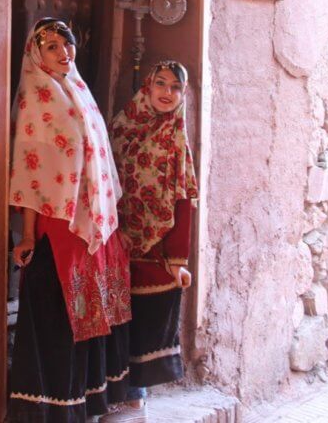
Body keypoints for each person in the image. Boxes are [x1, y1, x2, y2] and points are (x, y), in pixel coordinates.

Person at [7, 18, 132, 423]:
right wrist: (26, 236)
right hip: (56, 225)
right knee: (58, 316)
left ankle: (88, 401)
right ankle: (51, 410)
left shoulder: (78, 91)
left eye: (67, 44)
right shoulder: (35, 100)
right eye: (52, 47)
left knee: (88, 314)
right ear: (35, 55)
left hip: (90, 226)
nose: (64, 53)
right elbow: (30, 172)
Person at [104, 61, 199, 419]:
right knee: (113, 322)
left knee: (143, 326)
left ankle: (134, 401)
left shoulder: (176, 138)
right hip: (114, 241)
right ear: (147, 85)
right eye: (161, 83)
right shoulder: (121, 127)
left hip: (155, 251)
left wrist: (179, 259)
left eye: (176, 87)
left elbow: (184, 198)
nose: (167, 93)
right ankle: (111, 397)